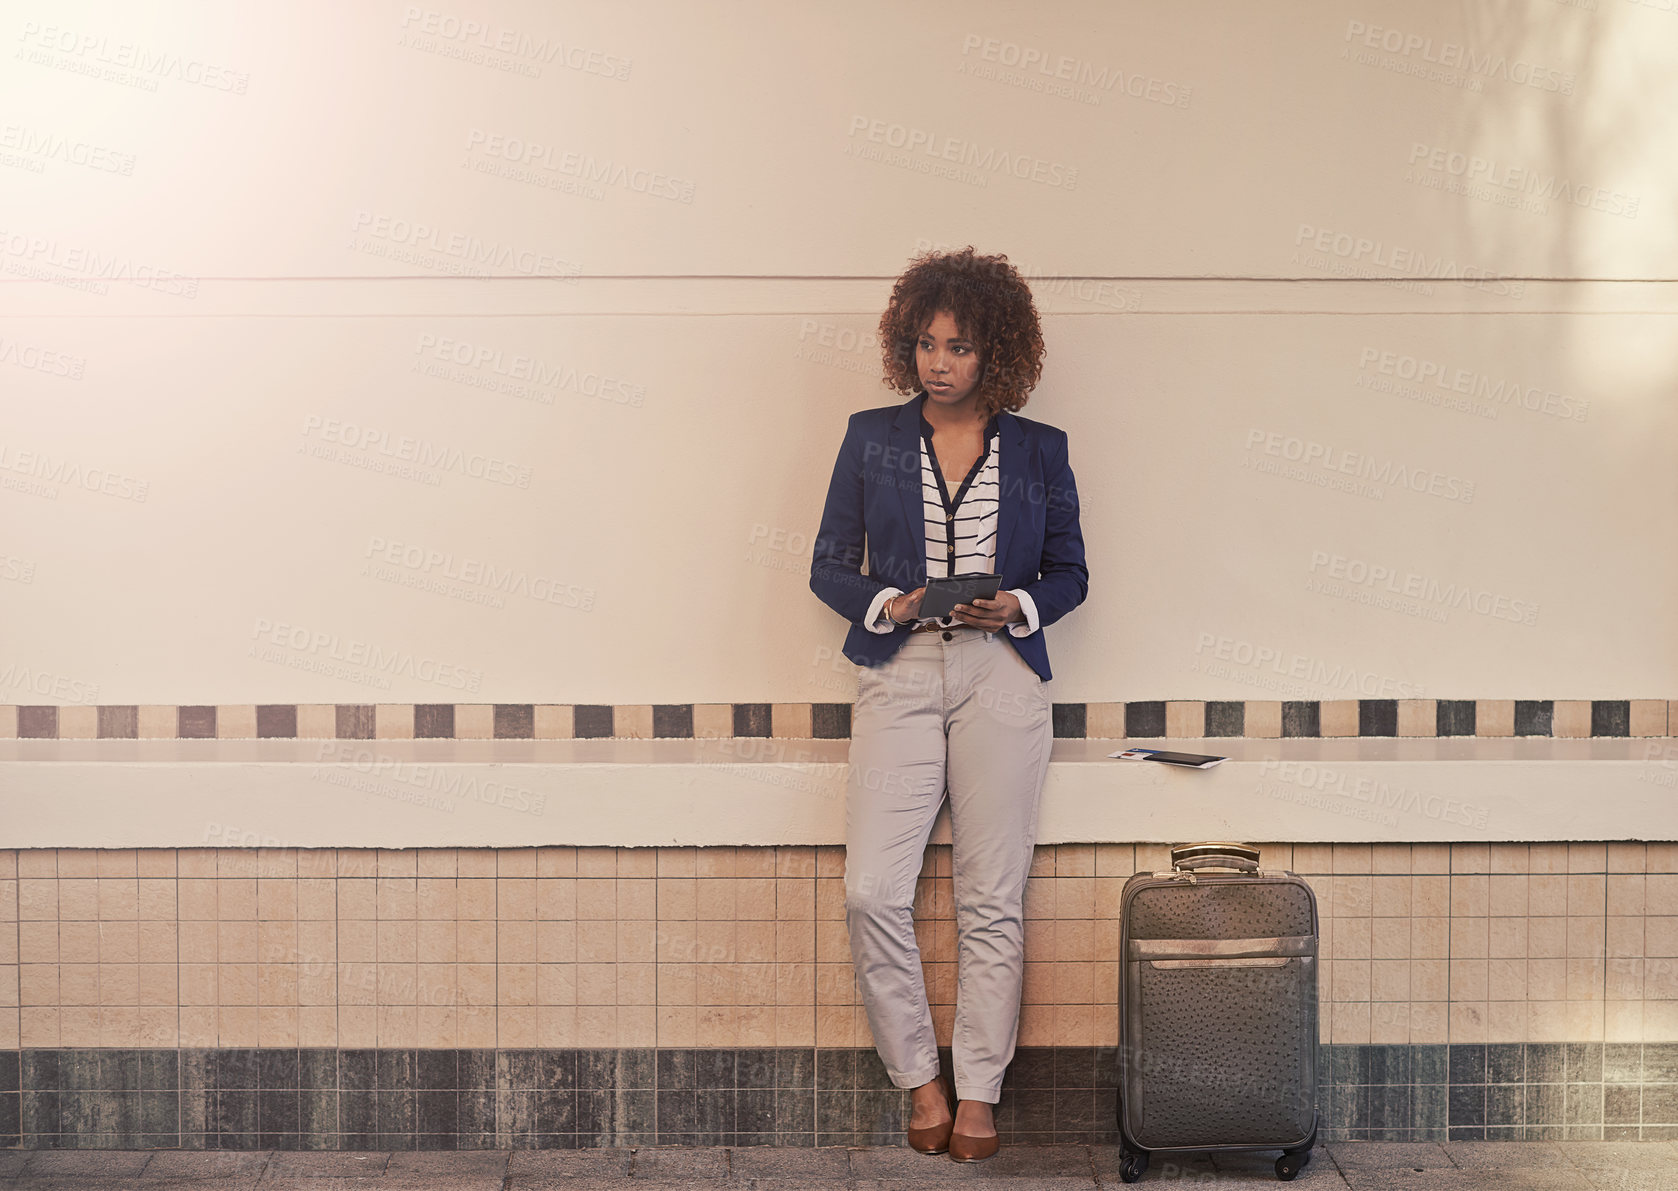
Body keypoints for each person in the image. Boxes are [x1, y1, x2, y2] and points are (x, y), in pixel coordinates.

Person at [809, 247, 1089, 1162]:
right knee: (872, 889)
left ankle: (978, 1091)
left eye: (960, 347)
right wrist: (891, 603)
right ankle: (918, 1076)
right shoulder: (870, 438)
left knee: (991, 896)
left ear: (994, 355)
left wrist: (1019, 603)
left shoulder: (1041, 450)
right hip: (899, 670)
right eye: (926, 343)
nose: (940, 362)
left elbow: (1072, 571)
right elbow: (827, 564)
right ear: (906, 346)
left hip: (1001, 674)